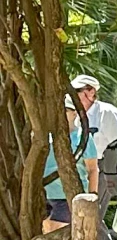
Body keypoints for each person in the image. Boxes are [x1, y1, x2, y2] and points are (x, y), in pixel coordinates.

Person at [43, 95, 100, 231]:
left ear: (74, 113)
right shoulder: (44, 137)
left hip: (68, 197)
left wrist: (92, 196)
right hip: (43, 196)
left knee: (58, 235)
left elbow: (92, 169)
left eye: (65, 109)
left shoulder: (82, 137)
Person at [71, 76, 117, 201]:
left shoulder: (107, 112)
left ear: (91, 92)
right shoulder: (74, 115)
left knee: (95, 208)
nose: (72, 96)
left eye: (77, 91)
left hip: (103, 167)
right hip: (80, 167)